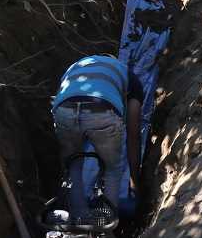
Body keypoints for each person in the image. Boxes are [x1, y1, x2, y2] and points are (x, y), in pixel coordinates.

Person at [50, 53, 142, 226]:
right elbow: (133, 132)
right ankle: (106, 227)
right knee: (113, 168)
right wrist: (135, 182)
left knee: (73, 164)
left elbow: (63, 95)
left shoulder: (75, 66)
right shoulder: (128, 75)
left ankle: (79, 219)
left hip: (64, 110)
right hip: (102, 110)